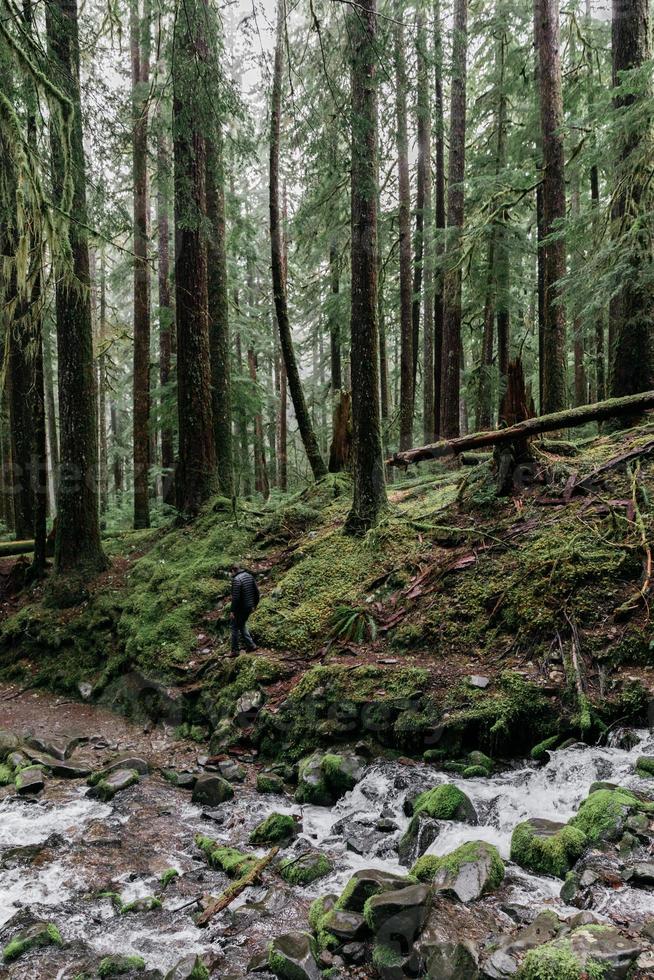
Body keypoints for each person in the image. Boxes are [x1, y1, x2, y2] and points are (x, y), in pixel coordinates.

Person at [230, 564, 260, 654]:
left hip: (240, 608)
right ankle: (251, 645)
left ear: (233, 570)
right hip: (249, 607)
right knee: (242, 624)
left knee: (234, 627)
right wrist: (255, 604)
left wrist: (232, 611)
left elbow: (236, 598)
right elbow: (257, 592)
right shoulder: (249, 576)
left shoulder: (236, 580)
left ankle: (235, 650)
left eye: (230, 572)